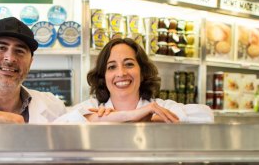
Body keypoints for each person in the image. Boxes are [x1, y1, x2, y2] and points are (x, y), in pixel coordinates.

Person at [55, 38, 213, 123]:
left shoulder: (159, 107)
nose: (121, 73)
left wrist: (152, 118)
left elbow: (205, 116)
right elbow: (58, 127)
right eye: (111, 67)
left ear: (143, 71)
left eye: (129, 64)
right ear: (103, 76)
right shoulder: (93, 108)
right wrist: (129, 116)